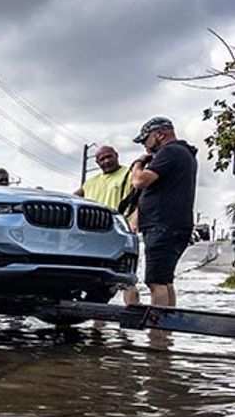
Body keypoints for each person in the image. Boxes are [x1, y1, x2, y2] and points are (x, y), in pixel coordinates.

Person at [129, 116, 198, 308]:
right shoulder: (183, 153)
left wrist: (138, 164)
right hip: (175, 225)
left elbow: (139, 181)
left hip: (162, 226)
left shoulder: (170, 152)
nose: (144, 145)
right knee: (165, 280)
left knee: (156, 281)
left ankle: (158, 333)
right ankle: (167, 331)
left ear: (160, 134)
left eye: (145, 139)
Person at [75, 146, 139, 305]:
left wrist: (134, 222)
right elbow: (72, 197)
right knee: (95, 281)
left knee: (125, 279)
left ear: (117, 156)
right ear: (96, 162)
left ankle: (132, 316)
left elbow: (143, 199)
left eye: (109, 157)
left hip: (117, 233)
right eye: (102, 159)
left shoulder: (129, 175)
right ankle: (98, 323)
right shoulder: (91, 182)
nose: (106, 161)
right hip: (89, 237)